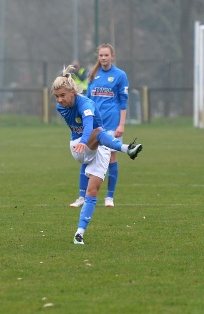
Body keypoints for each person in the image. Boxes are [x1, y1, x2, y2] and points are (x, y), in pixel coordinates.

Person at [52, 65, 142, 245]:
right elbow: (88, 127)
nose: (59, 100)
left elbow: (88, 122)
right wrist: (84, 142)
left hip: (97, 148)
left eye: (62, 95)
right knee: (99, 131)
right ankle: (126, 149)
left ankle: (79, 233)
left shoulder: (86, 103)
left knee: (92, 192)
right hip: (79, 146)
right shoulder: (63, 107)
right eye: (57, 96)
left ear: (72, 91)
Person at [70, 45, 129, 208]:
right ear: (98, 57)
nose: (103, 58)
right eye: (101, 55)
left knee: (111, 157)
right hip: (94, 124)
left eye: (106, 55)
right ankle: (82, 196)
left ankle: (109, 197)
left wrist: (121, 124)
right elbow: (86, 99)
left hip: (111, 122)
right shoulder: (92, 74)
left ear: (112, 56)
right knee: (87, 155)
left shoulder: (120, 75)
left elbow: (123, 102)